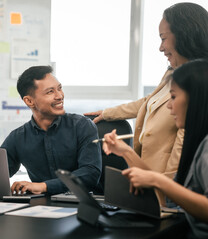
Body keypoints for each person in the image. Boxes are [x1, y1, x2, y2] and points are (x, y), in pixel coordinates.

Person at [85, 3, 208, 179]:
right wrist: (108, 113)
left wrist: (165, 191)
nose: (160, 47)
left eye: (163, 38)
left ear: (184, 35)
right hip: (148, 178)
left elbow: (175, 178)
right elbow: (151, 100)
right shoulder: (173, 72)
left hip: (164, 187)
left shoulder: (199, 85)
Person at [103, 59, 208, 238]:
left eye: (173, 97)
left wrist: (158, 181)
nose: (169, 105)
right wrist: (126, 152)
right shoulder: (198, 141)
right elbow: (169, 193)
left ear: (196, 98)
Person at [0, 66, 101, 195]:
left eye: (59, 88)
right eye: (50, 92)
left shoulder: (82, 126)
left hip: (85, 205)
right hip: (42, 207)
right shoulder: (18, 137)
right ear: (29, 101)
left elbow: (90, 174)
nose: (60, 96)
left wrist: (43, 186)